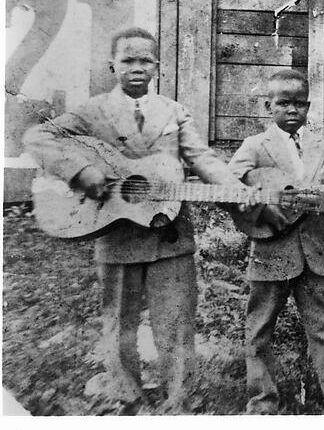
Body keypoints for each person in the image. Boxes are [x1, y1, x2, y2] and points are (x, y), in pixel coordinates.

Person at [23, 27, 255, 414]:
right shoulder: (92, 110)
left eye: (145, 60)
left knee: (177, 319)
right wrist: (81, 171)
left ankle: (179, 397)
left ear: (157, 66)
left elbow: (202, 158)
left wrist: (235, 188)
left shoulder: (173, 112)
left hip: (170, 233)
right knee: (119, 320)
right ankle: (126, 394)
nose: (136, 68)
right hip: (114, 231)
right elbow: (38, 137)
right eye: (128, 60)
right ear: (112, 65)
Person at [227, 69, 324, 415]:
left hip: (316, 252)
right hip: (270, 250)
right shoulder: (255, 147)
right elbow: (227, 187)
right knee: (260, 329)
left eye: (299, 104)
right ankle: (262, 404)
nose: (292, 110)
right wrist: (252, 198)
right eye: (283, 103)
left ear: (309, 107)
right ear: (267, 105)